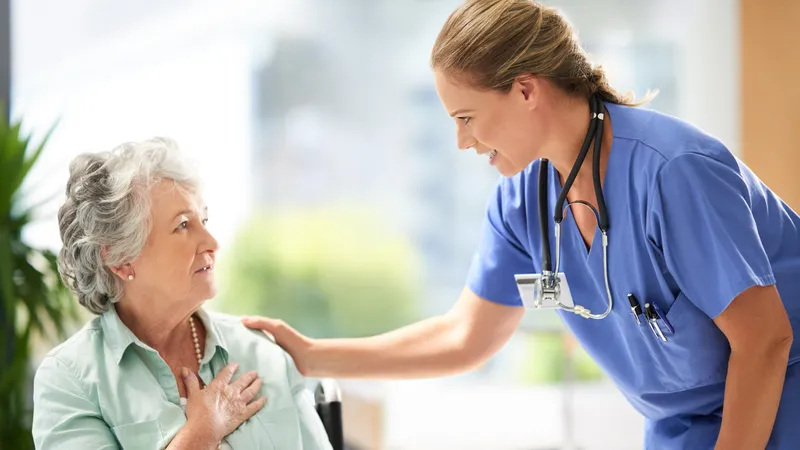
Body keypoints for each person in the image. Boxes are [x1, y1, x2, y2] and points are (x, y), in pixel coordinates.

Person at [241, 0, 800, 448]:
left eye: (466, 118)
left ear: (526, 90)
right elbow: (464, 336)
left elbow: (765, 341)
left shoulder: (672, 172)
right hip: (684, 427)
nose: (461, 142)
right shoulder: (521, 203)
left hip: (783, 396)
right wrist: (311, 354)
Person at [32, 138, 333, 450]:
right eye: (183, 225)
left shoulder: (261, 351)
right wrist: (201, 434)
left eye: (204, 220)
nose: (212, 242)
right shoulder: (69, 379)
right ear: (121, 260)